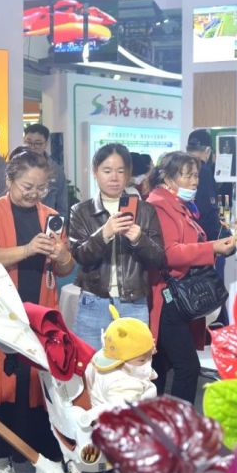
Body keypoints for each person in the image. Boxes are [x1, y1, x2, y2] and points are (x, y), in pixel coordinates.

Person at [0, 148, 74, 473]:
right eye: (28, 186)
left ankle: (37, 462)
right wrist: (28, 249)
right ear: (9, 180)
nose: (34, 194)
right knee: (0, 389)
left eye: (41, 188)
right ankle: (3, 465)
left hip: (39, 315)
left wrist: (61, 255)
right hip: (0, 315)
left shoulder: (52, 216)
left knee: (35, 390)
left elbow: (65, 268)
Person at [147, 151, 236, 403]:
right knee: (186, 367)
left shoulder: (178, 205)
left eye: (196, 175)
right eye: (187, 176)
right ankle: (179, 420)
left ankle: (159, 419)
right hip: (167, 298)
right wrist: (212, 248)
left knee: (161, 365)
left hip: (176, 294)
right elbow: (169, 253)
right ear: (168, 178)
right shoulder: (159, 206)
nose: (194, 181)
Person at [69, 143, 165, 350]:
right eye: (107, 171)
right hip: (93, 301)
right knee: (90, 362)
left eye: (120, 171)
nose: (114, 177)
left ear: (128, 174)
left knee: (134, 363)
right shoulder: (81, 211)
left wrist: (139, 239)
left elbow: (159, 259)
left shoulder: (145, 210)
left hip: (133, 302)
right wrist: (104, 234)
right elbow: (80, 256)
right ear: (95, 172)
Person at [186, 130, 231, 326]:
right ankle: (216, 328)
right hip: (206, 245)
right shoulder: (202, 170)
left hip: (188, 244)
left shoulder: (182, 169)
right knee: (213, 291)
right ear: (208, 151)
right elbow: (208, 210)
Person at [85, 307, 157, 408]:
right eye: (142, 360)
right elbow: (123, 414)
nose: (147, 364)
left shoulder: (104, 357)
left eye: (150, 356)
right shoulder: (125, 385)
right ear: (120, 362)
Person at [24, 123, 68, 217]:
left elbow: (62, 207)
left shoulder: (56, 171)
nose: (32, 147)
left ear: (46, 144)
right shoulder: (16, 167)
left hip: (45, 221)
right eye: (28, 142)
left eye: (38, 143)